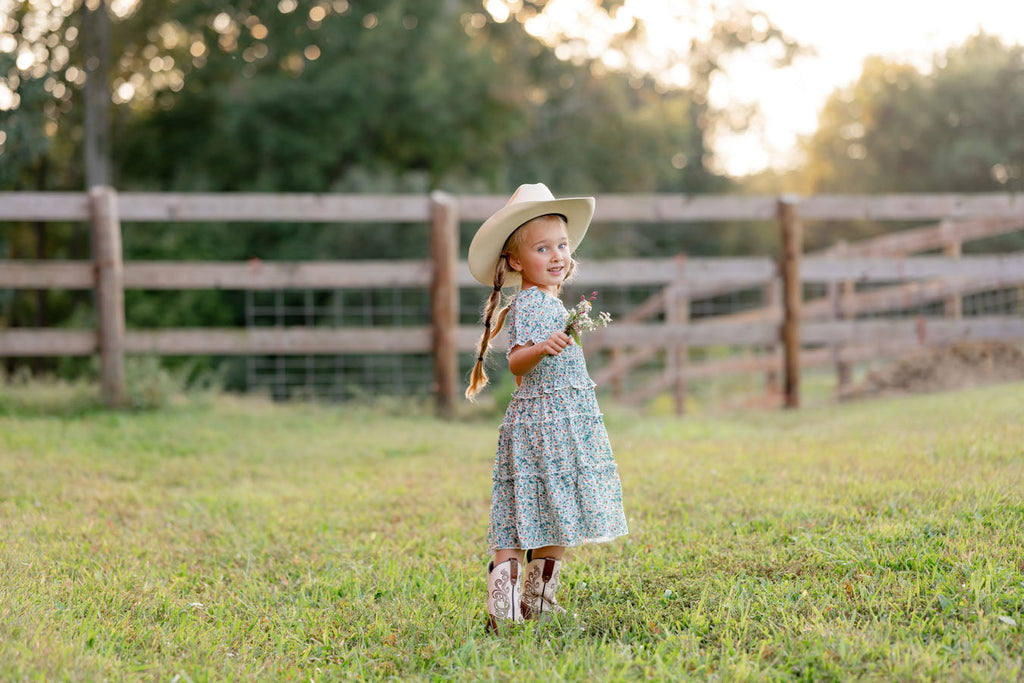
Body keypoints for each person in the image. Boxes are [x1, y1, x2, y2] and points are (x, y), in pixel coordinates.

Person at [465, 183, 628, 631]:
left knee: (552, 513)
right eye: (543, 248)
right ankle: (506, 612)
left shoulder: (549, 303)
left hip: (558, 424)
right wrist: (542, 347)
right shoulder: (533, 303)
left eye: (562, 245)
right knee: (523, 518)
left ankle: (536, 603)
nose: (557, 254)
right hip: (542, 427)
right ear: (517, 261)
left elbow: (525, 377)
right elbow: (517, 361)